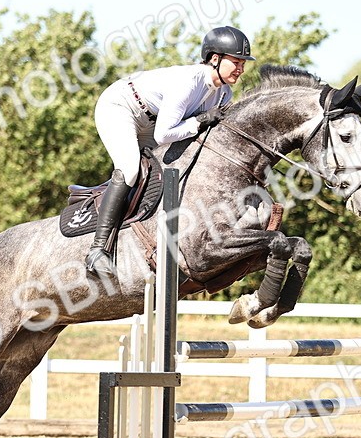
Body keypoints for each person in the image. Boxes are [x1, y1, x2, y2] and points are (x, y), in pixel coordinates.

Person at [84, 25, 255, 276]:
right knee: (130, 168)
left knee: (165, 171)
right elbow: (164, 134)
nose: (240, 69)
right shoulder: (190, 81)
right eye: (236, 62)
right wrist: (200, 121)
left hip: (151, 122)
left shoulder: (224, 93)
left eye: (243, 63)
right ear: (215, 59)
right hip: (122, 107)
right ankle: (98, 250)